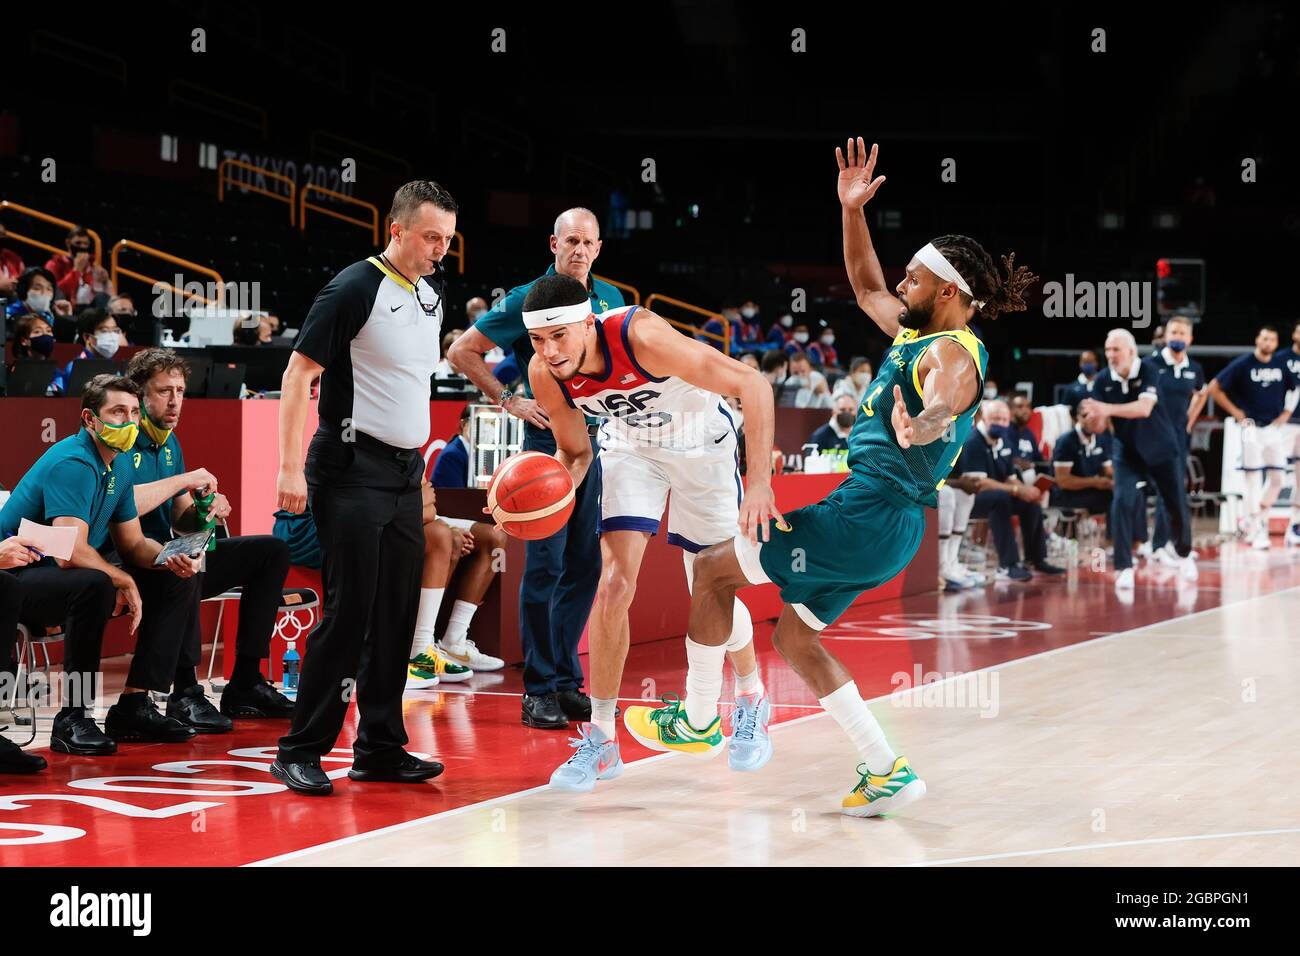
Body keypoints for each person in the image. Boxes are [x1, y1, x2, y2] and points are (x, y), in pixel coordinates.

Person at [647, 138, 1034, 817]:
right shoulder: (917, 332)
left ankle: (701, 717)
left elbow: (951, 389)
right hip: (890, 527)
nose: (901, 287)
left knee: (711, 572)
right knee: (794, 637)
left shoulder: (950, 348)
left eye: (913, 279)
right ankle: (885, 769)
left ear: (947, 291)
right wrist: (851, 210)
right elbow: (865, 287)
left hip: (868, 512)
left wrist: (934, 418)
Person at [518, 274, 779, 791]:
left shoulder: (643, 337)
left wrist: (760, 484)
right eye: (537, 340)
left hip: (701, 447)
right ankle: (601, 740)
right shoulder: (545, 374)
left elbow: (754, 384)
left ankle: (750, 696)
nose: (549, 351)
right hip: (632, 451)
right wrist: (543, 498)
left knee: (709, 584)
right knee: (613, 584)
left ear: (588, 323)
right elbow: (574, 452)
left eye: (559, 336)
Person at [272, 180, 456, 796]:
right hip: (350, 469)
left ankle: (379, 747)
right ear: (396, 230)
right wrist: (289, 467)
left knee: (396, 614)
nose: (439, 249)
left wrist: (417, 472)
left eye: (448, 240)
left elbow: (407, 385)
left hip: (403, 474)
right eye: (431, 237)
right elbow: (298, 374)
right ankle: (300, 749)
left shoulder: (431, 295)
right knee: (349, 613)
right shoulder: (354, 287)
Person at [448, 207, 625, 731]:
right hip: (547, 444)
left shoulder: (611, 299)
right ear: (553, 243)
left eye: (587, 242)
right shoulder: (529, 297)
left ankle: (568, 679)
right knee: (546, 566)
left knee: (585, 568)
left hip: (599, 444)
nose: (579, 250)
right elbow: (463, 351)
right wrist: (509, 399)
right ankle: (539, 688)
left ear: (598, 248)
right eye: (570, 240)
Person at [0, 374, 205, 752]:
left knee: (175, 580)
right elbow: (68, 553)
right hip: (16, 573)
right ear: (89, 419)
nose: (127, 422)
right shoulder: (73, 462)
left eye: (132, 413)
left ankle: (134, 704)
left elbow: (132, 543)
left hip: (53, 569)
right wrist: (122, 580)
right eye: (116, 413)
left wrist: (170, 557)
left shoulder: (121, 465)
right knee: (94, 584)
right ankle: (73, 716)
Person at [124, 347, 296, 728]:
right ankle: (185, 693)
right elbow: (125, 504)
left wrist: (205, 505)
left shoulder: (169, 442)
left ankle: (246, 681)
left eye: (180, 391)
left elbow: (183, 521)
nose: (174, 401)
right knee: (188, 562)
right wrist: (184, 481)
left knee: (270, 551)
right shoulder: (123, 440)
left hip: (164, 553)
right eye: (163, 391)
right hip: (128, 559)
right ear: (139, 395)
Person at [1081, 328, 1198, 588]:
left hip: (1161, 448)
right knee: (1122, 501)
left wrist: (1107, 409)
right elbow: (1100, 424)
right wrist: (1093, 418)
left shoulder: (1149, 370)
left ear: (1131, 352)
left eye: (1116, 350)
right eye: (1108, 350)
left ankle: (1184, 553)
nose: (1110, 355)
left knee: (1175, 503)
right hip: (1128, 451)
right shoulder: (1102, 380)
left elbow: (1144, 408)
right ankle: (1124, 567)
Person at [1206, 324, 1300, 549]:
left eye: (1272, 339)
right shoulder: (1244, 363)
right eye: (1264, 338)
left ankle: (1254, 516)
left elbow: (1295, 389)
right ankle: (1257, 526)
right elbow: (1214, 387)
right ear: (1257, 340)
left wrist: (1286, 413)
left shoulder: (1280, 364)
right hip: (1249, 427)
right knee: (1252, 477)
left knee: (1278, 477)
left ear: (1276, 343)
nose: (1268, 343)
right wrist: (1236, 412)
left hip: (1273, 428)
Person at [404, 480, 507, 685]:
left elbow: (430, 505)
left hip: (417, 513)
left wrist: (440, 521)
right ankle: (420, 649)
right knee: (444, 537)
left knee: (494, 538)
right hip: (396, 514)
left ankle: (455, 641)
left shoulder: (410, 452)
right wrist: (446, 528)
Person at [957, 399, 1063, 581]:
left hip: (996, 495)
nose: (1001, 424)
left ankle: (1036, 559)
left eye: (1004, 420)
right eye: (996, 419)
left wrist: (1028, 491)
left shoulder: (1004, 441)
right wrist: (1015, 489)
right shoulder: (973, 441)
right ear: (983, 418)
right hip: (967, 498)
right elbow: (978, 483)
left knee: (1029, 503)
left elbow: (1010, 476)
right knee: (1000, 499)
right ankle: (1008, 565)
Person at [1149, 315, 1208, 562]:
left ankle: (1165, 545)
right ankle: (1155, 545)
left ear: (1190, 339)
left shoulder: (1194, 368)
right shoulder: (1150, 365)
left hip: (1178, 439)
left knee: (1172, 492)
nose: (1177, 337)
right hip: (1151, 437)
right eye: (1173, 333)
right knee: (1158, 492)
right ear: (1165, 336)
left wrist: (1189, 420)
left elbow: (1202, 393)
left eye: (1182, 333)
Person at [1051, 404, 1116, 517]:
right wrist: (1095, 482)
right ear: (1077, 418)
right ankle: (1110, 534)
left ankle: (1122, 533)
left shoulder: (1101, 439)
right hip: (1067, 494)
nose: (1091, 419)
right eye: (1085, 415)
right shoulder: (1066, 441)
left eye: (1095, 416)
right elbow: (1062, 481)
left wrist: (1120, 481)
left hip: (1091, 490)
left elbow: (1109, 472)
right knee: (1110, 498)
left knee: (1123, 494)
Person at [50, 308, 124, 395]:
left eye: (115, 330)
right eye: (104, 331)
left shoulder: (114, 366)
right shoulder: (75, 368)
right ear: (87, 337)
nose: (112, 336)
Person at [1283, 321, 1300, 545]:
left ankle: (1294, 524)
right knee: (1273, 474)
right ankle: (1257, 522)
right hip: (1282, 425)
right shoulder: (1281, 359)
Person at [431, 405, 473, 488]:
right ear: (464, 424)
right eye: (481, 421)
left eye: (491, 423)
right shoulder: (451, 456)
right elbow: (455, 497)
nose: (486, 428)